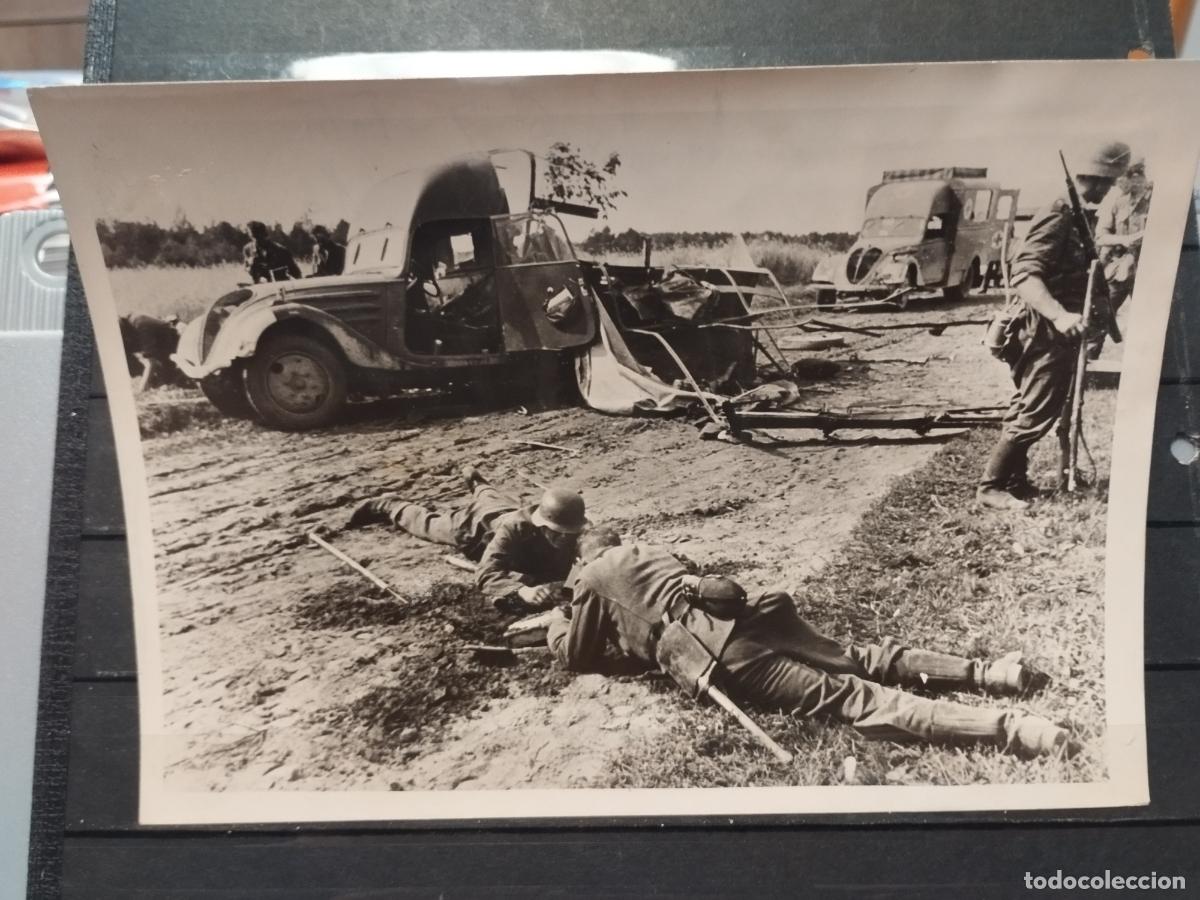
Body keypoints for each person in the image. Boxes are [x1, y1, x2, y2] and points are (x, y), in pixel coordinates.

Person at [547, 529, 1071, 759]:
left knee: (853, 698)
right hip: (758, 616)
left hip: (723, 652)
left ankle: (1019, 730)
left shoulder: (589, 578)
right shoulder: (648, 549)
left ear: (577, 554)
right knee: (864, 658)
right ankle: (989, 673)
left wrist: (556, 620)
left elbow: (577, 654)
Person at [976, 141, 1131, 510]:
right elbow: (1025, 275)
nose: (1107, 190)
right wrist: (1060, 315)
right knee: (1035, 410)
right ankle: (991, 487)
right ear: (1095, 179)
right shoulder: (1059, 213)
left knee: (1026, 404)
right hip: (1047, 329)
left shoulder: (1078, 214)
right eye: (1105, 183)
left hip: (1055, 329)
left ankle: (1014, 481)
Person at [347, 467, 585, 612]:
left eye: (569, 533)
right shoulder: (514, 530)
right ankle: (388, 504)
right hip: (475, 529)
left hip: (502, 508)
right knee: (427, 524)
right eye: (559, 532)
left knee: (489, 495)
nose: (565, 538)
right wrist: (521, 591)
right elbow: (486, 574)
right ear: (542, 525)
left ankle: (477, 482)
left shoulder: (572, 526)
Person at [1094, 157, 1151, 321]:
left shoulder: (1156, 201)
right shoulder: (1117, 203)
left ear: (1140, 178)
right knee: (1100, 319)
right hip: (1119, 271)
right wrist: (1123, 240)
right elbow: (1100, 237)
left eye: (1121, 178)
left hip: (1146, 272)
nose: (1117, 184)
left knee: (1148, 320)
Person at [118, 313, 188, 391]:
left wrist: (143, 386)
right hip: (158, 350)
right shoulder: (125, 331)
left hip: (171, 344)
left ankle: (177, 375)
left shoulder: (140, 323)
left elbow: (151, 362)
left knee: (168, 377)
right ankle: (157, 380)